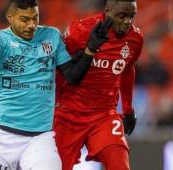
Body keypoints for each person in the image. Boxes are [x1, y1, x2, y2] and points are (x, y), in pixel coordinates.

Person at [0, 0, 112, 169]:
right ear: (10, 18)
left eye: (35, 18)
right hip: (1, 138)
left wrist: (90, 50)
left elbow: (72, 77)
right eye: (25, 19)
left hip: (39, 139)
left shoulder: (51, 36)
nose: (31, 25)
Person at [54, 0, 143, 170]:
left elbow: (127, 69)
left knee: (120, 166)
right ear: (107, 11)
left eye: (132, 16)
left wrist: (128, 110)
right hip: (68, 114)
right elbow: (59, 69)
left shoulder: (135, 39)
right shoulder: (79, 31)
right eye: (122, 16)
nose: (127, 22)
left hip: (104, 116)